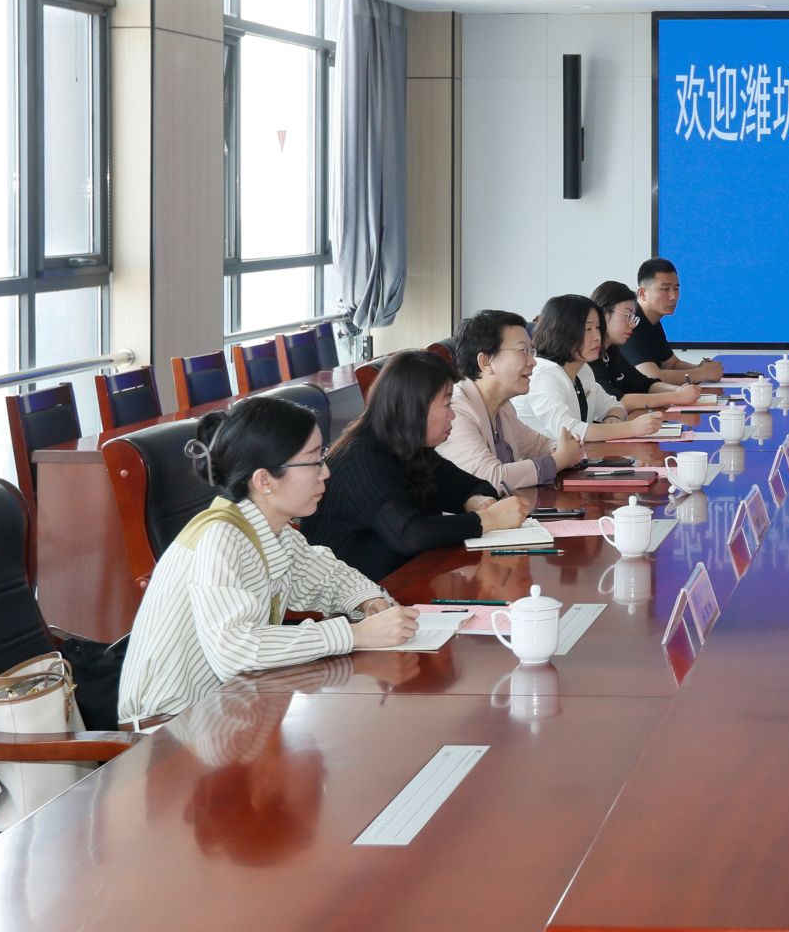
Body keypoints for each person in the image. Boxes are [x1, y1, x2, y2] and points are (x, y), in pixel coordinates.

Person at [117, 396, 420, 723]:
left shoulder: (271, 530)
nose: (326, 472)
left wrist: (368, 601)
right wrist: (355, 634)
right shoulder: (220, 537)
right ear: (264, 480)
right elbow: (236, 650)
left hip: (232, 709)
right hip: (170, 727)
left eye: (322, 456)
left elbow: (327, 576)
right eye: (313, 461)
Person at [309, 350, 530, 581]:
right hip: (355, 596)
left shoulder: (410, 449)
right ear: (415, 408)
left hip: (401, 582)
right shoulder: (363, 459)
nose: (453, 416)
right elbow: (410, 534)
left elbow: (474, 485)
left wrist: (474, 500)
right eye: (447, 405)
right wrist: (488, 519)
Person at [437, 309, 586, 493]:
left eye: (532, 351)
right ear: (486, 361)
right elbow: (490, 478)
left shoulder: (503, 407)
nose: (533, 361)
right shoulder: (455, 410)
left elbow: (538, 445)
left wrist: (566, 448)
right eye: (523, 351)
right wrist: (559, 460)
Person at [520, 294, 666, 442]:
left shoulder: (583, 369)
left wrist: (613, 418)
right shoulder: (544, 374)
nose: (597, 336)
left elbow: (615, 405)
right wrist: (632, 428)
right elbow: (569, 431)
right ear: (561, 331)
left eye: (598, 327)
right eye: (588, 329)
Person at [589, 280, 702, 410]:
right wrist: (675, 397)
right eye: (627, 315)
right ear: (603, 313)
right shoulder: (589, 356)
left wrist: (677, 390)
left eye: (633, 317)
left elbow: (644, 384)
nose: (632, 324)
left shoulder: (612, 351)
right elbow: (616, 400)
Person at [619, 258, 723, 386]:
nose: (673, 296)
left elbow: (672, 364)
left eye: (676, 288)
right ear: (642, 293)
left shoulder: (653, 321)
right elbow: (652, 376)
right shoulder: (631, 322)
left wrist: (701, 367)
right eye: (665, 289)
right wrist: (703, 373)